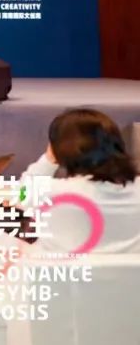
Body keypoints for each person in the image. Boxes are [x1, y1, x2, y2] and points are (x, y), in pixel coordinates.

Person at [17, 108, 140, 254]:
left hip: (60, 269)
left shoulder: (49, 192)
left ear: (58, 149)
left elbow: (22, 195)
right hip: (129, 269)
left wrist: (48, 159)